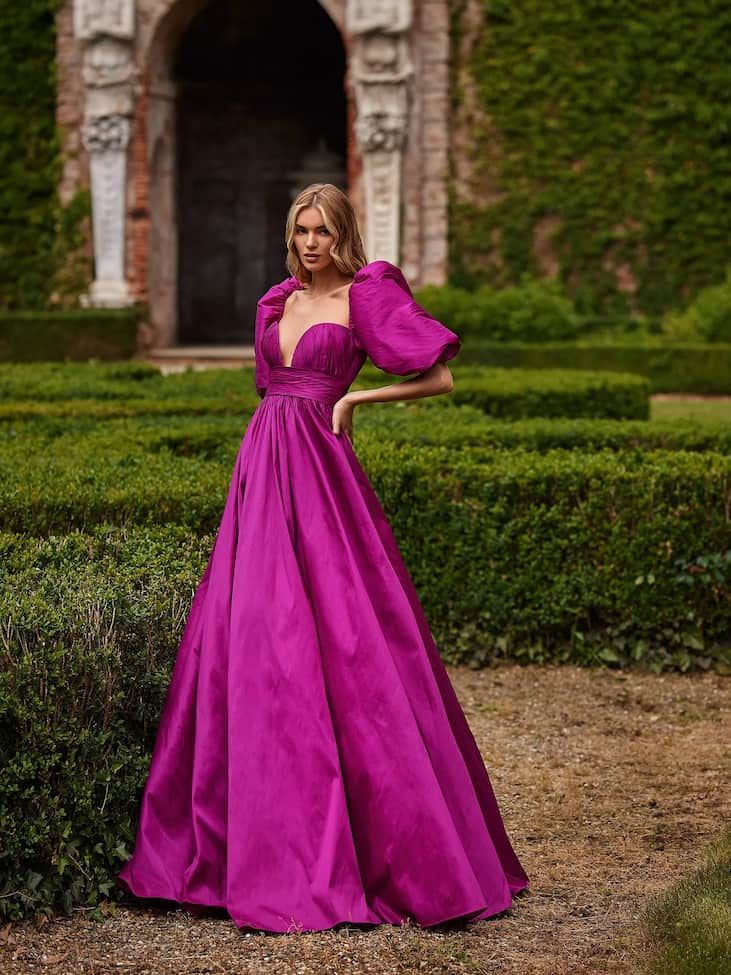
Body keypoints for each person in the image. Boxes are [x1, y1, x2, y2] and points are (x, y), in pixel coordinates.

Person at [117, 183, 528, 933]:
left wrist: (354, 401)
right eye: (302, 230)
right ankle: (229, 849)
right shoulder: (274, 302)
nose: (311, 243)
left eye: (324, 231)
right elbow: (267, 390)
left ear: (343, 234)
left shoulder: (366, 297)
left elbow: (437, 375)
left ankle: (385, 851)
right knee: (251, 637)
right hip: (261, 472)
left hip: (322, 475)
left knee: (350, 642)